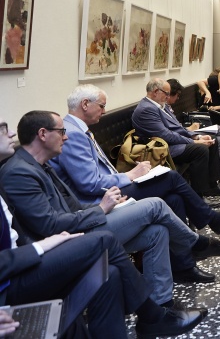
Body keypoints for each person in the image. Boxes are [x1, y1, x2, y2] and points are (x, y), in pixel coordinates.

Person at [0, 117, 204, 338]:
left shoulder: (39, 164)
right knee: (152, 206)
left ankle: (161, 304)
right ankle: (192, 252)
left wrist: (106, 206)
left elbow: (72, 208)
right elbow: (49, 225)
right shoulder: (18, 172)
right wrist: (100, 209)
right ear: (42, 134)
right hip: (52, 247)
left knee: (156, 233)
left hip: (72, 232)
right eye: (61, 132)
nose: (66, 137)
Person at [50, 84, 220, 245]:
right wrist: (131, 175)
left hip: (110, 188)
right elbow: (89, 184)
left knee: (175, 199)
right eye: (102, 106)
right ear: (85, 104)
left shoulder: (77, 130)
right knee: (171, 177)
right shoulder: (73, 135)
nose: (104, 111)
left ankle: (185, 263)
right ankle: (209, 219)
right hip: (101, 199)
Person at [131, 78, 217, 196]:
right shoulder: (147, 109)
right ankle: (199, 194)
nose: (168, 97)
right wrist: (194, 142)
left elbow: (177, 128)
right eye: (166, 93)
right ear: (156, 92)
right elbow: (165, 135)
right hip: (161, 150)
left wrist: (196, 137)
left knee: (211, 140)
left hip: (171, 143)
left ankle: (211, 186)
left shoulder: (159, 105)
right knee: (200, 150)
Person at [166, 78, 220, 174]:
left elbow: (175, 126)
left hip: (185, 131)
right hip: (184, 135)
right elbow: (171, 131)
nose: (178, 98)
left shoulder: (166, 107)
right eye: (177, 95)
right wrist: (190, 130)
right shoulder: (161, 109)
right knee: (219, 131)